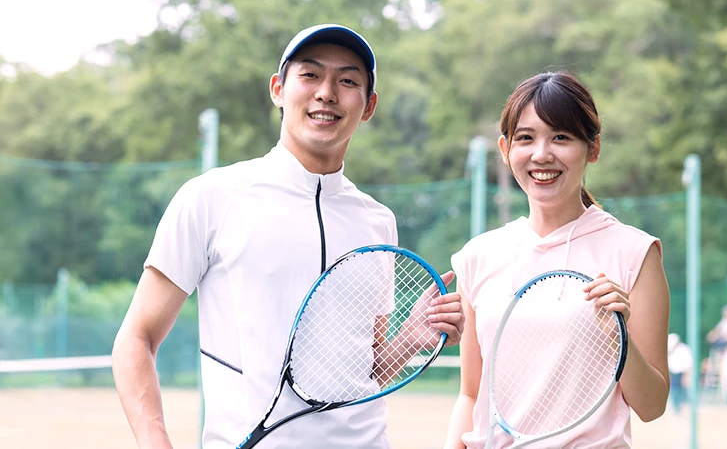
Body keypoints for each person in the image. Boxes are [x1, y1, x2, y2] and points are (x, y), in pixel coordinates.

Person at [111, 24, 464, 449]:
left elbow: (359, 373)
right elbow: (137, 338)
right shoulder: (211, 198)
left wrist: (409, 341)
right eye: (310, 75)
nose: (327, 92)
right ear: (278, 89)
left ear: (368, 106)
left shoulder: (378, 222)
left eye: (348, 80)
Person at [443, 71, 670, 448]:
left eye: (561, 137)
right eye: (526, 138)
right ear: (505, 149)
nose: (541, 154)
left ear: (592, 149)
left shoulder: (635, 252)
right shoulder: (477, 256)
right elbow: (471, 394)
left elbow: (652, 406)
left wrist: (619, 335)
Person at [667, 333, 693, 414]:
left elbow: (688, 364)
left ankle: (685, 407)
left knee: (681, 391)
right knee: (675, 391)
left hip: (682, 373)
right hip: (674, 374)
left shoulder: (684, 349)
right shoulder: (672, 351)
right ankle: (676, 408)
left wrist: (685, 377)